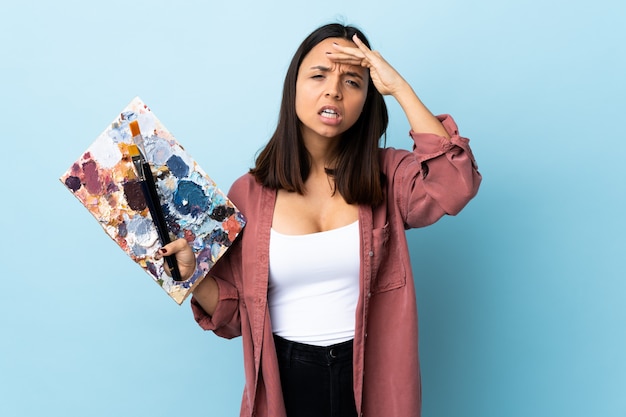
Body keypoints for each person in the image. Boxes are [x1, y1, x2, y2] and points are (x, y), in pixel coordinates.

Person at [157, 23, 481, 417]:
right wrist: (193, 275)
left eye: (353, 81)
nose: (334, 90)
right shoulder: (248, 193)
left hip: (372, 379)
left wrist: (398, 88)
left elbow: (455, 184)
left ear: (367, 99)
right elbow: (235, 317)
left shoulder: (390, 175)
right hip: (285, 382)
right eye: (319, 75)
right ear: (293, 87)